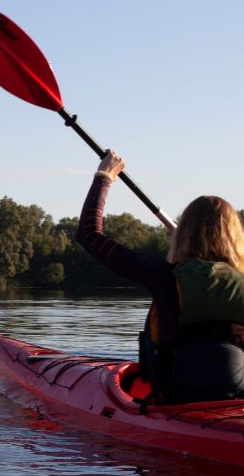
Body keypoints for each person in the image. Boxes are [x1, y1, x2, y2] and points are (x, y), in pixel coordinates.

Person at [77, 150, 244, 402]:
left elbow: (89, 234)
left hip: (174, 397)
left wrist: (104, 176)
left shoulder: (163, 276)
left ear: (183, 233)